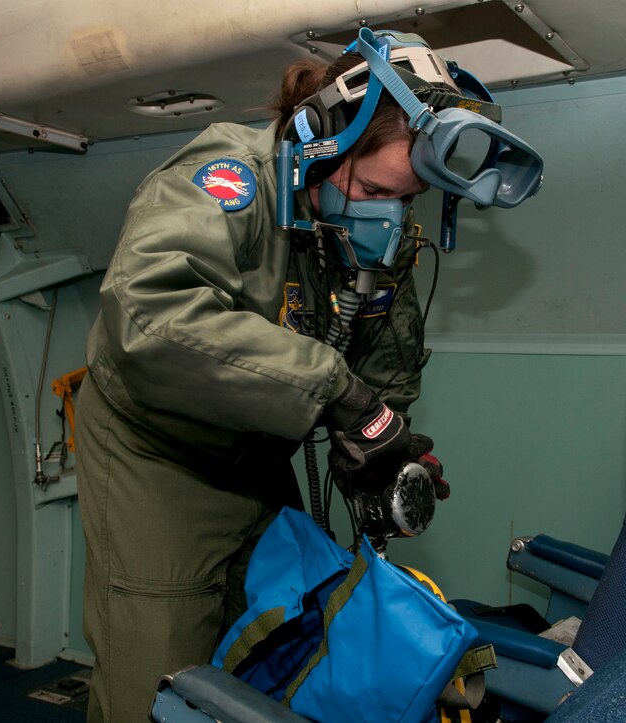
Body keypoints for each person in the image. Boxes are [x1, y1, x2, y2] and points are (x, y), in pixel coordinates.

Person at [74, 27, 544, 721]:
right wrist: (337, 395)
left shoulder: (372, 230)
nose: (388, 217)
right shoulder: (235, 176)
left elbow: (381, 374)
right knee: (159, 669)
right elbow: (151, 316)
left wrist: (384, 448)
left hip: (258, 448)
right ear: (324, 138)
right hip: (159, 456)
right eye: (379, 189)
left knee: (271, 647)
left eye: (406, 200)